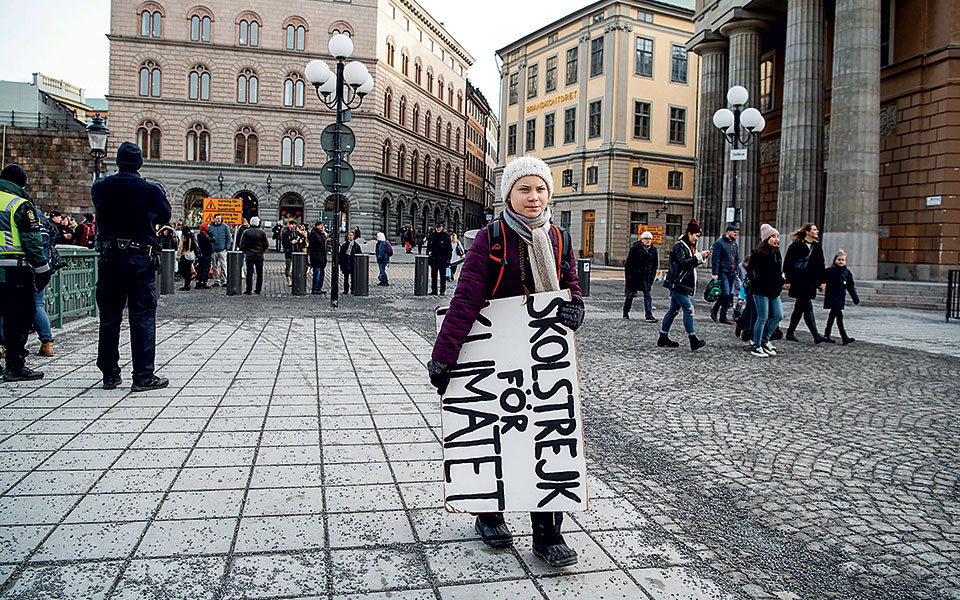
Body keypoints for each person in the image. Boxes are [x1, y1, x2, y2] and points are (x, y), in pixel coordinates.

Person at [427, 155, 584, 568]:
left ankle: (548, 532)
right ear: (508, 194)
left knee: (547, 434)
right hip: (492, 351)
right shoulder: (491, 238)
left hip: (540, 355)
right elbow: (466, 299)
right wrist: (444, 358)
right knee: (490, 431)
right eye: (524, 189)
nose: (534, 197)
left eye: (540, 189)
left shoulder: (559, 238)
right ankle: (488, 511)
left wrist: (575, 308)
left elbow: (569, 285)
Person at [92, 141, 170, 391]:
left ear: (118, 161)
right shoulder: (150, 189)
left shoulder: (101, 187)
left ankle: (110, 374)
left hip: (109, 258)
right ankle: (143, 375)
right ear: (139, 164)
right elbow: (165, 216)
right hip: (139, 258)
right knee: (142, 316)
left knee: (109, 317)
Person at [0, 165, 52, 381]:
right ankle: (15, 364)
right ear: (21, 184)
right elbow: (32, 242)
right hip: (14, 270)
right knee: (18, 318)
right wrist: (43, 271)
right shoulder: (20, 205)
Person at [658, 219, 711, 351]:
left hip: (680, 282)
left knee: (673, 311)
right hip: (677, 283)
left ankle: (663, 337)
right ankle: (692, 339)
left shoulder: (686, 246)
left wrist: (701, 257)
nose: (697, 239)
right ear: (689, 234)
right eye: (696, 236)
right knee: (689, 309)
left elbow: (688, 264)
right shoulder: (679, 246)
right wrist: (699, 256)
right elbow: (683, 263)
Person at [784, 222, 827, 344]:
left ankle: (790, 332)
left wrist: (822, 281)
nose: (817, 231)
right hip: (799, 280)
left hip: (811, 281)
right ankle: (815, 334)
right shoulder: (795, 246)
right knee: (807, 305)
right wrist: (788, 280)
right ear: (807, 232)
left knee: (800, 307)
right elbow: (787, 264)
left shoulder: (817, 247)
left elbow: (821, 265)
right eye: (814, 229)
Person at [747, 224, 785, 358]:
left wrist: (781, 281)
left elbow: (778, 271)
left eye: (777, 236)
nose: (776, 239)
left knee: (778, 315)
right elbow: (750, 271)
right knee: (762, 317)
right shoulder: (758, 253)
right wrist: (757, 281)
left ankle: (765, 339)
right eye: (773, 236)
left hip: (774, 290)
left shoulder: (777, 253)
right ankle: (757, 345)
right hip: (760, 289)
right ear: (766, 238)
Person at [32, 211, 58, 357]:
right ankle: (47, 343)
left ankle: (5, 346)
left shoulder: (12, 209)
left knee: (6, 307)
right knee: (37, 304)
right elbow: (53, 233)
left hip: (17, 266)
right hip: (41, 266)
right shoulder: (38, 215)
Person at [822, 249, 860, 345]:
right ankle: (844, 336)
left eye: (843, 260)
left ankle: (827, 334)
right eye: (839, 259)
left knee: (832, 316)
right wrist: (820, 285)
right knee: (839, 315)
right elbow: (821, 277)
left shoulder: (847, 272)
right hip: (832, 295)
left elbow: (850, 286)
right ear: (835, 260)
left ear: (846, 261)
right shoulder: (830, 270)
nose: (841, 262)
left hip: (840, 297)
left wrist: (855, 298)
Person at [623, 231, 658, 322]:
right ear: (642, 239)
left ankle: (649, 315)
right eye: (646, 239)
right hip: (635, 277)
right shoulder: (635, 249)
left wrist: (652, 277)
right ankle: (625, 312)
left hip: (646, 278)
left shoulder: (653, 250)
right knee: (630, 296)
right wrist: (629, 277)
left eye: (650, 239)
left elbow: (655, 265)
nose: (648, 241)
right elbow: (628, 265)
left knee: (648, 296)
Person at [710, 224, 740, 324]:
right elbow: (715, 258)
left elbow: (736, 258)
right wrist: (715, 273)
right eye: (734, 232)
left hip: (732, 272)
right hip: (723, 272)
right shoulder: (719, 243)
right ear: (728, 232)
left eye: (737, 232)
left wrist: (736, 269)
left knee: (728, 294)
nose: (736, 234)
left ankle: (723, 315)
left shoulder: (734, 244)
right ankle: (715, 309)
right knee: (726, 293)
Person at [239, 216, 268, 294]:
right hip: (259, 255)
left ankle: (249, 290)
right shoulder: (262, 233)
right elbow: (266, 244)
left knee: (249, 273)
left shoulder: (246, 232)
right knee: (259, 273)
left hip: (249, 255)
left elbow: (242, 244)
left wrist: (246, 251)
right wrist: (262, 251)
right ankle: (258, 289)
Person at [426, 222, 452, 295]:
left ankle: (442, 290)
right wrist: (428, 254)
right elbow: (429, 247)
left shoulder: (446, 236)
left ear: (442, 227)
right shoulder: (432, 236)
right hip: (434, 259)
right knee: (433, 276)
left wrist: (448, 259)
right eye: (437, 228)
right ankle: (434, 290)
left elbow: (449, 249)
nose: (438, 229)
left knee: (442, 276)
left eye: (439, 227)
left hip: (442, 259)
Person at [208, 214, 232, 287]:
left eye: (220, 219)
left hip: (222, 250)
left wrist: (227, 248)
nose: (219, 220)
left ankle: (224, 280)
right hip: (213, 250)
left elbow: (228, 237)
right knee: (214, 266)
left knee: (223, 265)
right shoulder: (210, 227)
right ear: (214, 219)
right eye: (217, 218)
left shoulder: (225, 227)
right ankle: (216, 281)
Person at [308, 220, 328, 295]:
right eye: (320, 225)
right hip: (317, 258)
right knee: (317, 274)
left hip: (322, 258)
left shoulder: (321, 234)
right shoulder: (313, 234)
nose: (322, 226)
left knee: (321, 274)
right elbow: (312, 247)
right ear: (317, 226)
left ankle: (319, 288)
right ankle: (315, 288)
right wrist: (315, 256)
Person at [176, 226, 197, 291]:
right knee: (189, 269)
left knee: (186, 270)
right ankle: (188, 283)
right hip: (192, 254)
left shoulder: (184, 236)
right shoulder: (192, 236)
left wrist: (178, 255)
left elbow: (181, 246)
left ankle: (186, 285)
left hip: (185, 254)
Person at [281, 220, 300, 286]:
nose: (293, 226)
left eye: (294, 224)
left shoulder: (297, 233)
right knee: (288, 266)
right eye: (292, 224)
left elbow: (301, 241)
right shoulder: (286, 233)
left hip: (296, 252)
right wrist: (291, 242)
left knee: (296, 266)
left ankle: (293, 278)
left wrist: (300, 241)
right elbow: (284, 243)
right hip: (289, 252)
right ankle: (288, 279)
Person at [195, 224, 214, 289]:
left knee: (200, 269)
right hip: (206, 254)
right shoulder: (204, 236)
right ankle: (203, 282)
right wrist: (211, 235)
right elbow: (212, 240)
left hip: (201, 255)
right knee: (205, 269)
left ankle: (198, 282)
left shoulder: (199, 235)